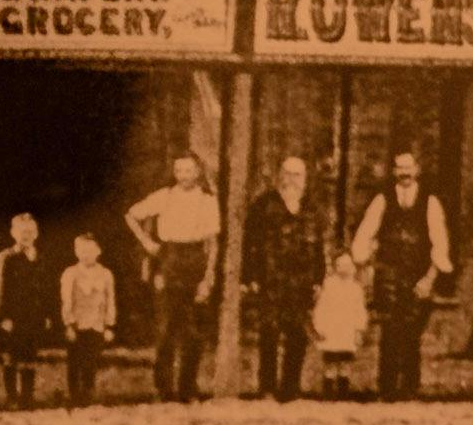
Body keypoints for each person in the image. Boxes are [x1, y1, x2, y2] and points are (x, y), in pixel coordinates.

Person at [122, 154, 223, 404]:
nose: (183, 176)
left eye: (188, 170)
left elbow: (212, 243)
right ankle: (164, 388)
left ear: (197, 172)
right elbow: (131, 215)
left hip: (195, 260)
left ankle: (188, 387)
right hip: (169, 259)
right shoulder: (165, 196)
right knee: (166, 327)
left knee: (194, 330)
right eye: (179, 170)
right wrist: (147, 242)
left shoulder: (207, 200)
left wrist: (208, 276)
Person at [355, 147, 453, 401]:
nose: (404, 172)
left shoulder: (430, 202)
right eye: (400, 168)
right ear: (393, 171)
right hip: (389, 274)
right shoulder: (382, 199)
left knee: (412, 329)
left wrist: (429, 278)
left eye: (408, 167)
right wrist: (365, 267)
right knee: (389, 328)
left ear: (416, 170)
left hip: (418, 275)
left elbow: (440, 243)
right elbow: (365, 234)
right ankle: (387, 387)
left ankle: (410, 386)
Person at [239, 154, 323, 400]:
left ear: (305, 178)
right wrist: (249, 276)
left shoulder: (311, 208)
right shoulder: (263, 205)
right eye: (288, 174)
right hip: (271, 281)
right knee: (269, 332)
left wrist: (318, 280)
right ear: (280, 176)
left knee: (298, 334)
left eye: (297, 174)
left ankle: (290, 388)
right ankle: (267, 387)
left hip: (301, 283)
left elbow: (319, 248)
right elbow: (250, 243)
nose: (292, 179)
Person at [0, 211, 55, 405]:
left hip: (34, 315)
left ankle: (27, 397)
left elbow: (46, 288)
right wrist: (4, 316)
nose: (26, 235)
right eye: (22, 231)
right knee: (11, 356)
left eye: (30, 231)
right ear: (13, 233)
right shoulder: (7, 257)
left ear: (36, 234)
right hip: (13, 316)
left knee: (30, 356)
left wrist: (47, 314)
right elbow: (0, 289)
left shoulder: (40, 257)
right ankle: (12, 397)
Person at [54, 232, 119, 407]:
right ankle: (74, 395)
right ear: (76, 252)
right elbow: (66, 300)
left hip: (96, 324)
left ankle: (88, 394)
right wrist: (69, 324)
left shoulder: (105, 274)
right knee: (75, 360)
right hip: (77, 325)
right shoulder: (71, 273)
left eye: (90, 250)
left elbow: (110, 300)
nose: (86, 254)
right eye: (82, 250)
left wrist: (109, 325)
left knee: (91, 360)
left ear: (99, 251)